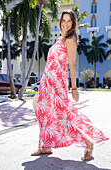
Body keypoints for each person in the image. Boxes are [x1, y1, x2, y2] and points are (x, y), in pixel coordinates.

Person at [31, 9, 109, 160]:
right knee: (42, 109)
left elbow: (72, 65)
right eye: (63, 20)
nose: (65, 24)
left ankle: (88, 143)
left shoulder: (70, 39)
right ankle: (46, 145)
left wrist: (74, 88)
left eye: (69, 21)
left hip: (57, 84)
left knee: (64, 116)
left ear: (73, 24)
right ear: (60, 22)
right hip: (47, 83)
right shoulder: (61, 39)